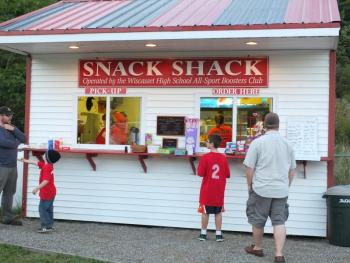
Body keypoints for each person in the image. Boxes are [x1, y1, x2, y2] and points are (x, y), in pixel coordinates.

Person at [243, 112, 296, 263]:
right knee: (279, 221)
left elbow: (249, 168)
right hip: (281, 189)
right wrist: (287, 185)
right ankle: (279, 254)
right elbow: (292, 170)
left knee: (258, 220)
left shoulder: (257, 143)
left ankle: (258, 248)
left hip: (261, 188)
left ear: (264, 125)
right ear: (278, 125)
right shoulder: (287, 144)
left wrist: (250, 185)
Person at [197, 134, 230, 242]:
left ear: (211, 144)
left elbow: (200, 173)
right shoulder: (223, 158)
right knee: (218, 212)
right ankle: (218, 234)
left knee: (205, 212)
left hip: (207, 189)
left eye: (207, 141)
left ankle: (203, 233)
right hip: (219, 189)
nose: (206, 143)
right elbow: (227, 174)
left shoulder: (205, 157)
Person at [19, 149, 60, 233]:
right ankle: (49, 226)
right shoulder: (48, 165)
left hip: (47, 193)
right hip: (52, 192)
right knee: (48, 209)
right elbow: (35, 163)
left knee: (42, 209)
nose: (43, 155)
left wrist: (37, 188)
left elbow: (46, 180)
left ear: (48, 158)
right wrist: (24, 160)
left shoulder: (46, 168)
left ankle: (44, 227)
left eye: (45, 154)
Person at [0, 106, 26, 225]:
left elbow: (23, 138)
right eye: (8, 115)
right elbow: (4, 143)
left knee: (9, 192)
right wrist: (16, 143)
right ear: (1, 116)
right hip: (2, 166)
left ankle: (7, 218)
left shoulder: (11, 127)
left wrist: (13, 130)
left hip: (12, 165)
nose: (11, 117)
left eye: (11, 115)